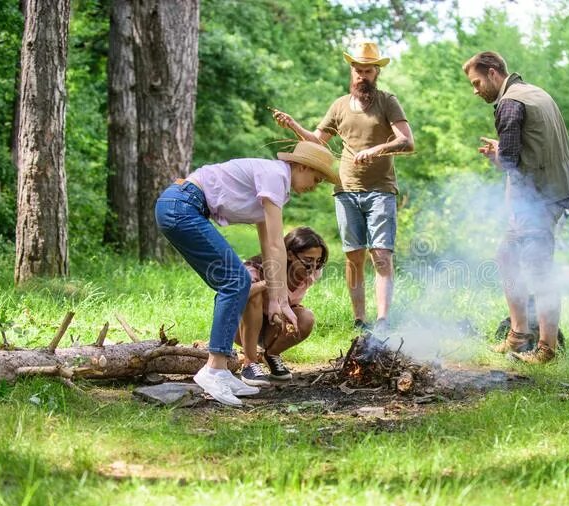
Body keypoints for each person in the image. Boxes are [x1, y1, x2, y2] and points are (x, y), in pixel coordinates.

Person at [154, 141, 339, 406]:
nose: (314, 185)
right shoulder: (276, 176)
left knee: (234, 282)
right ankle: (214, 369)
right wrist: (279, 299)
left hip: (180, 206)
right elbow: (278, 243)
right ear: (301, 166)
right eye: (316, 178)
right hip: (182, 205)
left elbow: (268, 246)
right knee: (236, 280)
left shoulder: (275, 185)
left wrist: (279, 300)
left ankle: (221, 370)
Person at [272, 40, 414, 334]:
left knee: (382, 256)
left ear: (377, 73)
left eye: (369, 71)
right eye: (359, 70)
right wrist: (294, 126)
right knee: (354, 256)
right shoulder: (338, 105)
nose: (363, 76)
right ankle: (360, 321)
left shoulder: (388, 101)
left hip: (380, 190)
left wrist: (374, 151)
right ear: (352, 71)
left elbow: (407, 142)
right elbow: (318, 140)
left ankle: (384, 321)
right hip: (346, 190)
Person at [462, 51, 569, 364]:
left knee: (540, 269)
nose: (475, 90)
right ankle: (518, 335)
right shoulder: (533, 93)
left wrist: (497, 156)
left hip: (540, 198)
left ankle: (546, 348)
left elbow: (513, 163)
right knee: (506, 257)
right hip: (549, 190)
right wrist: (503, 149)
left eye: (476, 82)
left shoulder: (509, 103)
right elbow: (531, 146)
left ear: (492, 72)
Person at [234, 226, 328, 385]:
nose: (312, 267)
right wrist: (269, 283)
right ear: (290, 254)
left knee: (306, 317)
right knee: (254, 296)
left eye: (317, 262)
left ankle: (271, 355)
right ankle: (250, 363)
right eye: (307, 260)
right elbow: (237, 294)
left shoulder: (312, 273)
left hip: (272, 325)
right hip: (241, 327)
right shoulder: (256, 268)